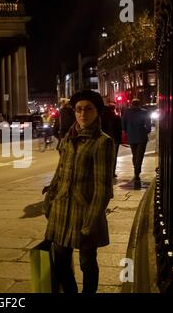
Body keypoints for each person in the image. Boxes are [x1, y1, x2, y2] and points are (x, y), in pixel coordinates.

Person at [42, 90, 115, 293]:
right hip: (61, 209)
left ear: (97, 112)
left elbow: (103, 189)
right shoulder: (68, 138)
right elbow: (59, 172)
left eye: (88, 109)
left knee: (87, 262)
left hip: (84, 212)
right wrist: (49, 200)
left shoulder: (102, 142)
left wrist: (90, 222)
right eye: (79, 109)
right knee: (61, 261)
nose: (83, 114)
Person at [121, 98, 151, 186]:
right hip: (142, 137)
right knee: (140, 155)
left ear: (131, 103)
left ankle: (136, 170)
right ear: (139, 104)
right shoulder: (144, 112)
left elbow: (123, 123)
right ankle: (137, 172)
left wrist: (126, 131)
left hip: (131, 136)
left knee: (134, 154)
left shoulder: (127, 112)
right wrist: (146, 130)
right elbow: (148, 125)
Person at [101, 102, 122, 177]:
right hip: (115, 139)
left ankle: (105, 171)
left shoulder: (101, 117)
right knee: (113, 156)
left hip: (103, 139)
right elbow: (120, 128)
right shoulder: (116, 117)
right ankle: (112, 172)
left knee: (103, 156)